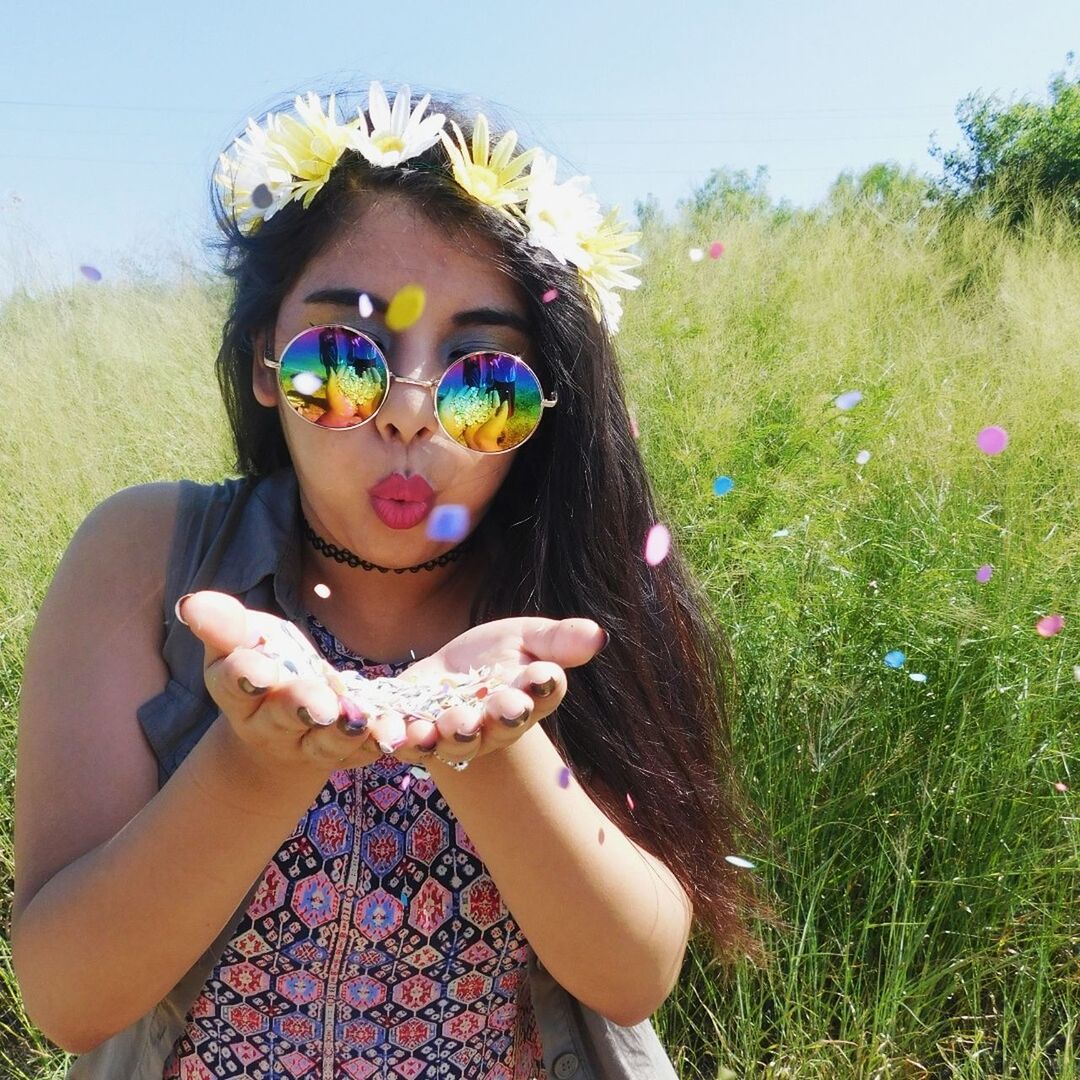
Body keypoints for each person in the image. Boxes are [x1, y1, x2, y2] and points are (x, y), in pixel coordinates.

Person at [12, 82, 768, 1080]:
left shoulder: (577, 585)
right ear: (264, 364)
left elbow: (633, 977)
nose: (411, 413)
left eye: (482, 376)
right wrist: (259, 764)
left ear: (547, 403)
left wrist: (495, 751)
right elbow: (70, 999)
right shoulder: (146, 555)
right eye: (344, 356)